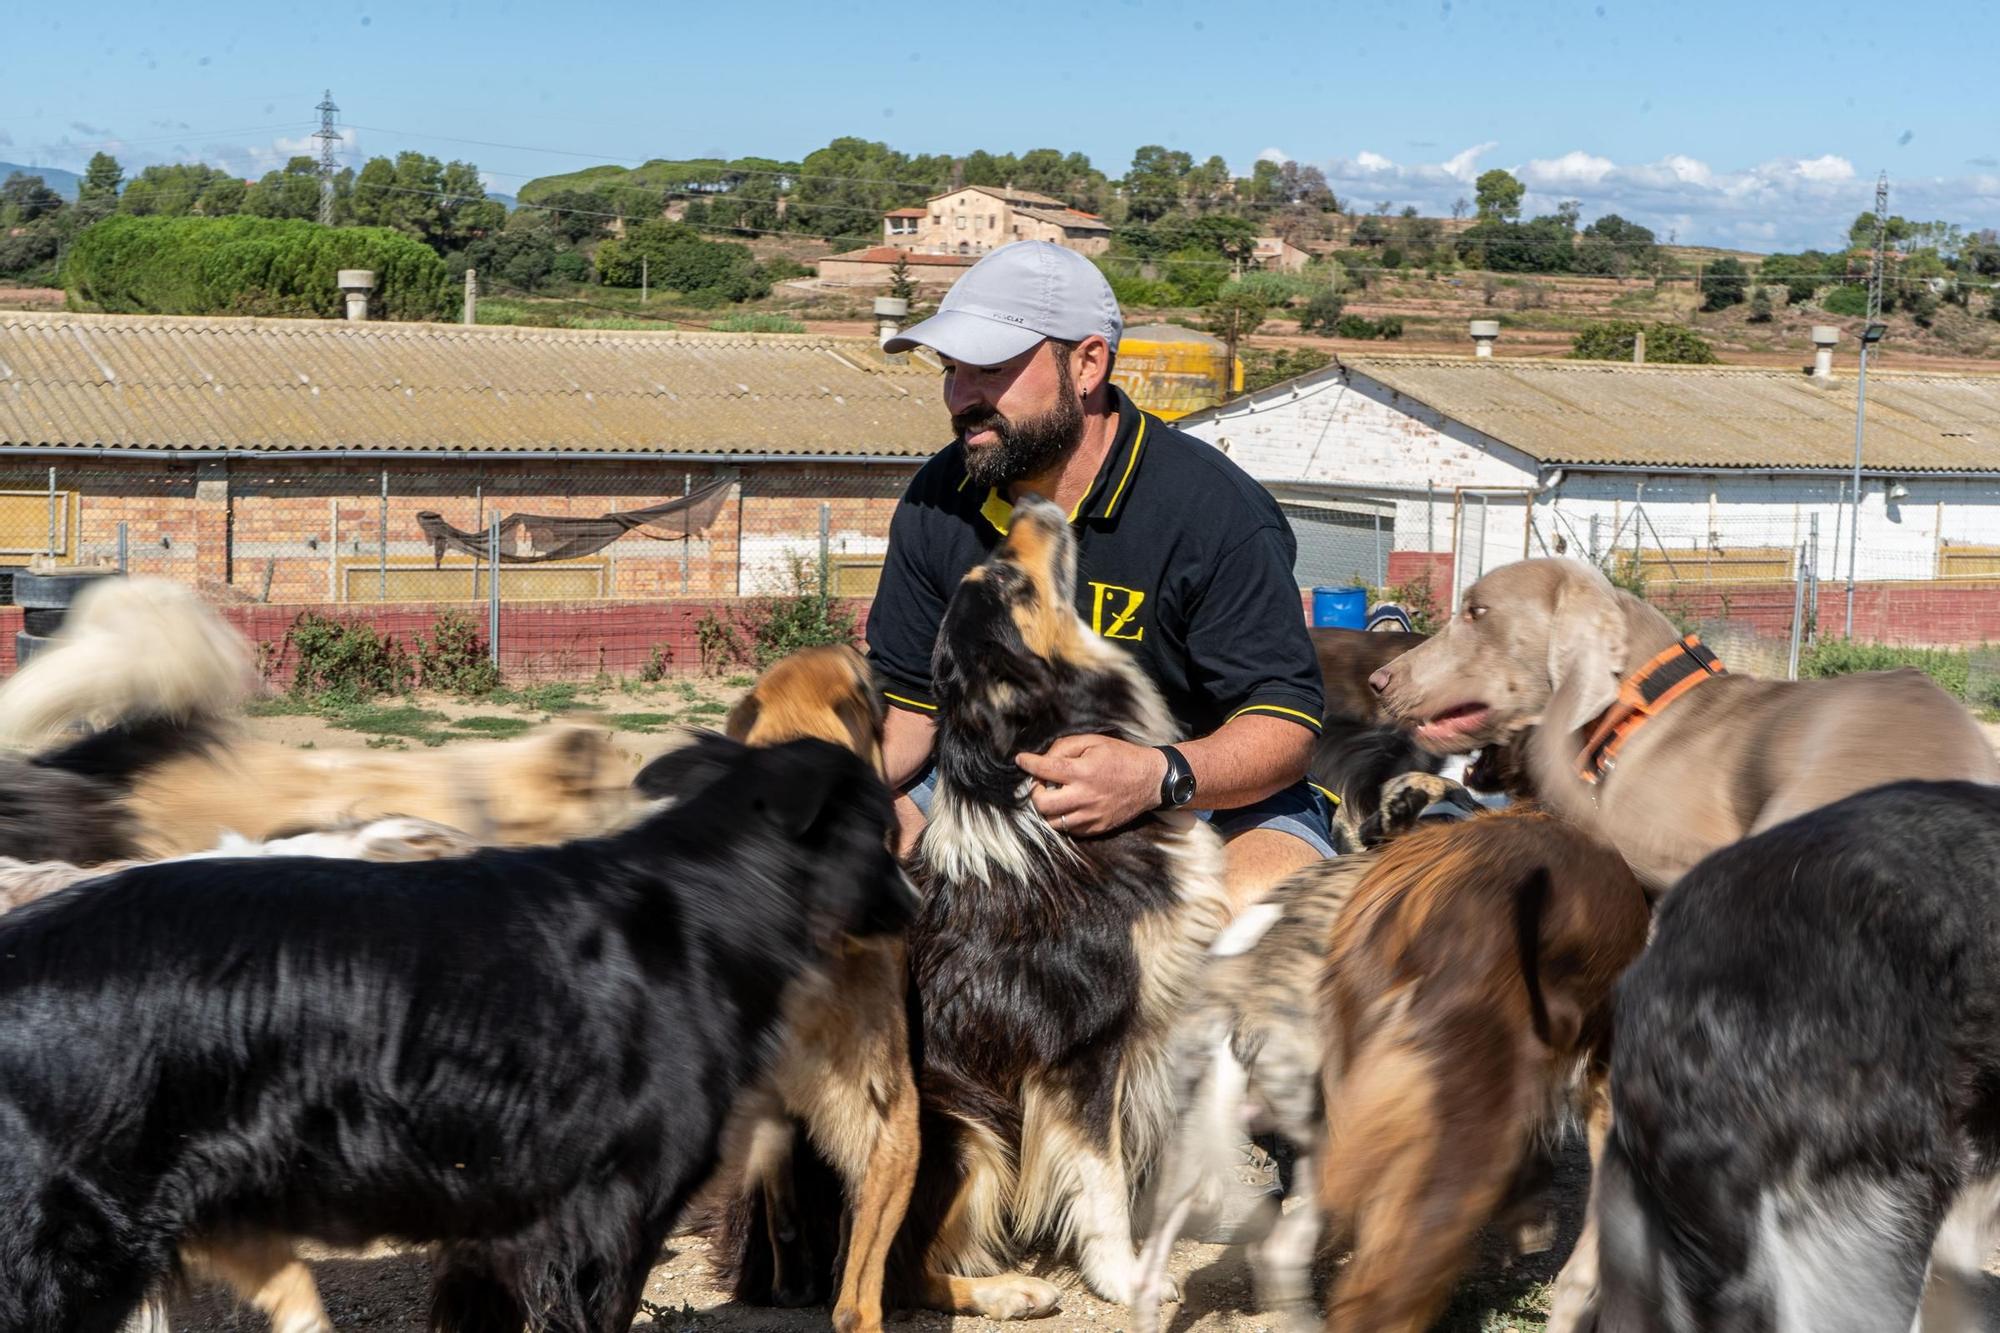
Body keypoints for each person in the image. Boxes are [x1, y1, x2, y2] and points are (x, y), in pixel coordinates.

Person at [867, 241, 1331, 909]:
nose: (961, 399)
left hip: (1201, 794)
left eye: (991, 369)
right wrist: (836, 791)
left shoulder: (1212, 509)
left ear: (1086, 363)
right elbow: (912, 707)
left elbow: (1285, 725)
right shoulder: (938, 495)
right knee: (834, 861)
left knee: (1256, 907)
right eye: (951, 370)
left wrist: (1155, 775)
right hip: (992, 788)